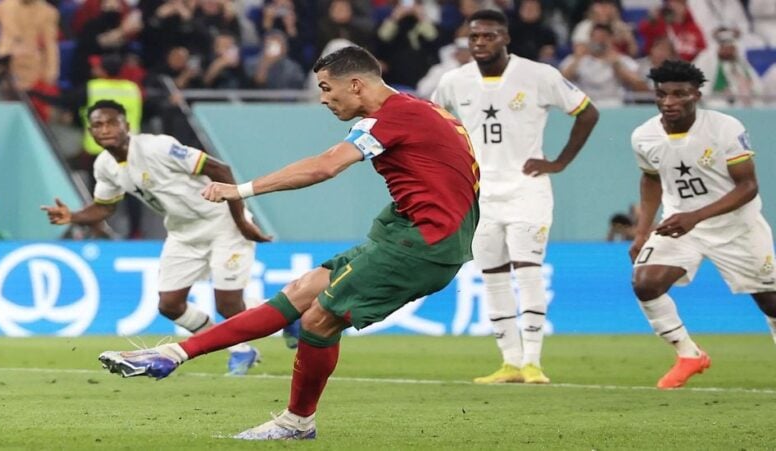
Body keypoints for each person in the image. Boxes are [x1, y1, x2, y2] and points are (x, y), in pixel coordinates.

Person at [98, 46, 480, 439]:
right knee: (301, 292)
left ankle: (296, 422)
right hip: (408, 231)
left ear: (355, 84)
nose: (323, 99)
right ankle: (172, 353)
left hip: (422, 241)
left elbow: (325, 166)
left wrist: (240, 190)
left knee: (318, 320)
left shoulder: (393, 116)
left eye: (327, 88)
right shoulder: (420, 110)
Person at [40, 100, 277, 375]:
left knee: (229, 305)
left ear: (127, 125)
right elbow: (104, 207)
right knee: (170, 305)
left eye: (112, 122)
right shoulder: (104, 165)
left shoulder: (157, 147)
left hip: (224, 223)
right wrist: (73, 216)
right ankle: (242, 349)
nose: (105, 129)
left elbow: (220, 169)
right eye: (97, 125)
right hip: (183, 233)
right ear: (90, 131)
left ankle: (281, 319)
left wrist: (241, 221)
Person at [434, 9, 600, 385]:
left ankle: (533, 362)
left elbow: (588, 113)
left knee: (527, 271)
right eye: (474, 37)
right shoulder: (454, 81)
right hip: (481, 194)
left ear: (505, 38)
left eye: (489, 36)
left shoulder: (539, 75)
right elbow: (433, 123)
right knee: (492, 275)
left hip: (527, 189)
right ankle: (509, 362)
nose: (480, 43)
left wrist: (559, 162)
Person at [629, 59, 776, 389]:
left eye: (679, 94)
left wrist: (694, 216)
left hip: (737, 227)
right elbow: (650, 179)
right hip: (679, 225)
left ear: (696, 94)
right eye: (662, 94)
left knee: (771, 303)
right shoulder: (643, 136)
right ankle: (688, 355)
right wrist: (641, 231)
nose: (669, 102)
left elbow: (748, 186)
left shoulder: (725, 128)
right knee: (645, 283)